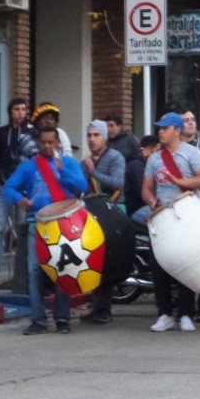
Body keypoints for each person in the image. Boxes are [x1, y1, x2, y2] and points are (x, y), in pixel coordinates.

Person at [4, 126, 89, 333]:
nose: (47, 146)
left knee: (62, 270)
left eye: (51, 142)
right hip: (37, 223)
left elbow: (84, 186)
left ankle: (62, 319)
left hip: (63, 223)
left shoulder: (68, 163)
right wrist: (18, 198)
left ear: (58, 143)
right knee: (34, 272)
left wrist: (62, 171)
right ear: (38, 143)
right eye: (43, 142)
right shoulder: (28, 166)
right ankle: (38, 319)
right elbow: (8, 187)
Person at [142, 112, 200, 332]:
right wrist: (151, 200)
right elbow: (146, 187)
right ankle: (164, 313)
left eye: (164, 128)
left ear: (176, 130)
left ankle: (186, 313)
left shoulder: (192, 153)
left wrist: (181, 181)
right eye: (159, 128)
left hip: (187, 213)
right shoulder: (154, 158)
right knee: (159, 265)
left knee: (186, 263)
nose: (160, 132)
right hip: (163, 215)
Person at [79, 120, 127, 324]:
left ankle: (104, 309)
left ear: (105, 137)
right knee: (93, 260)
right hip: (92, 214)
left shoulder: (115, 157)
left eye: (96, 135)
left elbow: (119, 184)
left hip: (113, 212)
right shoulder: (86, 161)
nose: (92, 139)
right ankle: (96, 306)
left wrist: (94, 173)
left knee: (107, 261)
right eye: (89, 135)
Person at [0, 98, 38, 282]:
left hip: (23, 190)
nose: (20, 112)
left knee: (22, 227)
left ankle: (22, 267)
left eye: (23, 109)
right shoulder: (1, 132)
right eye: (16, 109)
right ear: (10, 111)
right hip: (2, 184)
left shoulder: (32, 132)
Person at [123, 134, 157, 227]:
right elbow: (142, 191)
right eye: (156, 151)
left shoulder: (144, 164)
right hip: (138, 209)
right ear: (146, 150)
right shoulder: (136, 165)